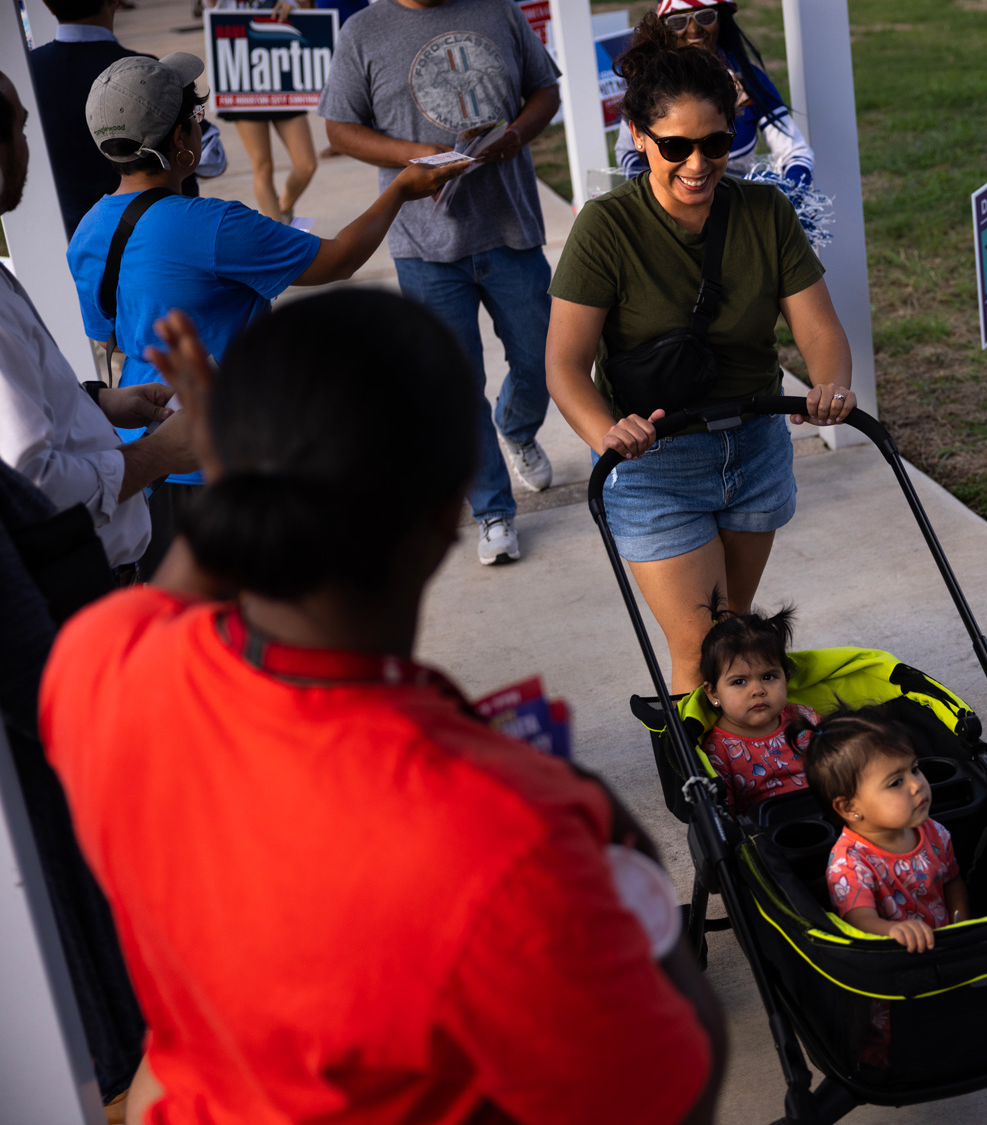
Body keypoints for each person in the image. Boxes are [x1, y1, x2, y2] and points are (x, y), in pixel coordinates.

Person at [39, 290, 727, 1123]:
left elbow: (171, 601)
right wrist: (611, 841)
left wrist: (239, 476)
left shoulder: (97, 662)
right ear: (448, 517)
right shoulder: (510, 840)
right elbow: (676, 1080)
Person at [68, 53, 466, 578]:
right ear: (181, 141)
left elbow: (110, 336)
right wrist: (400, 190)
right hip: (233, 457)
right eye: (196, 118)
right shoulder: (214, 225)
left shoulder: (88, 231)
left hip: (151, 459)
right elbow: (339, 258)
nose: (202, 126)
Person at [548, 15, 854, 693]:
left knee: (737, 642)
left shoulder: (763, 214)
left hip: (753, 445)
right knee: (703, 653)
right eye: (675, 146)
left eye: (714, 143)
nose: (696, 164)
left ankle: (742, 774)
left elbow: (820, 330)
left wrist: (830, 385)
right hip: (656, 459)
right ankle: (707, 787)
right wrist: (608, 432)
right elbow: (564, 365)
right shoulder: (608, 227)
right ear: (637, 136)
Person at [320, 0, 563, 567]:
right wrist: (411, 155)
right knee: (456, 384)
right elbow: (338, 128)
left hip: (510, 226)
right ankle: (493, 511)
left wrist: (516, 136)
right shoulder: (363, 31)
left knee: (544, 360)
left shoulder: (497, 8)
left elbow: (545, 90)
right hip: (423, 243)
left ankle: (517, 427)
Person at [0, 73, 198, 580]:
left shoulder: (90, 224)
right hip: (80, 579)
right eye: (21, 130)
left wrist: (97, 400)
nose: (28, 146)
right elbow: (36, 479)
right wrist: (157, 455)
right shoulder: (213, 222)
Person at [26, 0, 202, 238]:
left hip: (66, 235)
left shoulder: (27, 72)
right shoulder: (144, 74)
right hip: (159, 230)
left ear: (45, 1)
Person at [806, 705, 969, 952]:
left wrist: (962, 925)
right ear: (850, 808)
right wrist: (893, 932)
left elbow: (951, 879)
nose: (917, 785)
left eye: (914, 769)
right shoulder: (849, 863)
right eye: (896, 782)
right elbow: (859, 919)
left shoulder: (932, 831)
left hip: (946, 945)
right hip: (897, 955)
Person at [614, 0, 813, 186]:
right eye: (679, 21)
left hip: (741, 210)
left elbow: (795, 152)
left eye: (705, 16)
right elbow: (629, 152)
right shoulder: (647, 83)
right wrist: (654, 201)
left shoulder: (748, 79)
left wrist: (788, 197)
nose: (693, 30)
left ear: (721, 20)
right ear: (664, 28)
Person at [201, 0, 321, 223]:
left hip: (281, 80)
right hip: (242, 84)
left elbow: (309, 24)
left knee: (306, 164)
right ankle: (279, 234)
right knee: (263, 167)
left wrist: (293, 12)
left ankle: (283, 209)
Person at [699, 599, 818, 813]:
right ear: (713, 693)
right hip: (766, 834)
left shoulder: (806, 718)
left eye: (768, 676)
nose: (757, 690)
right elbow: (728, 815)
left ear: (786, 679)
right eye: (739, 681)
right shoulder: (719, 751)